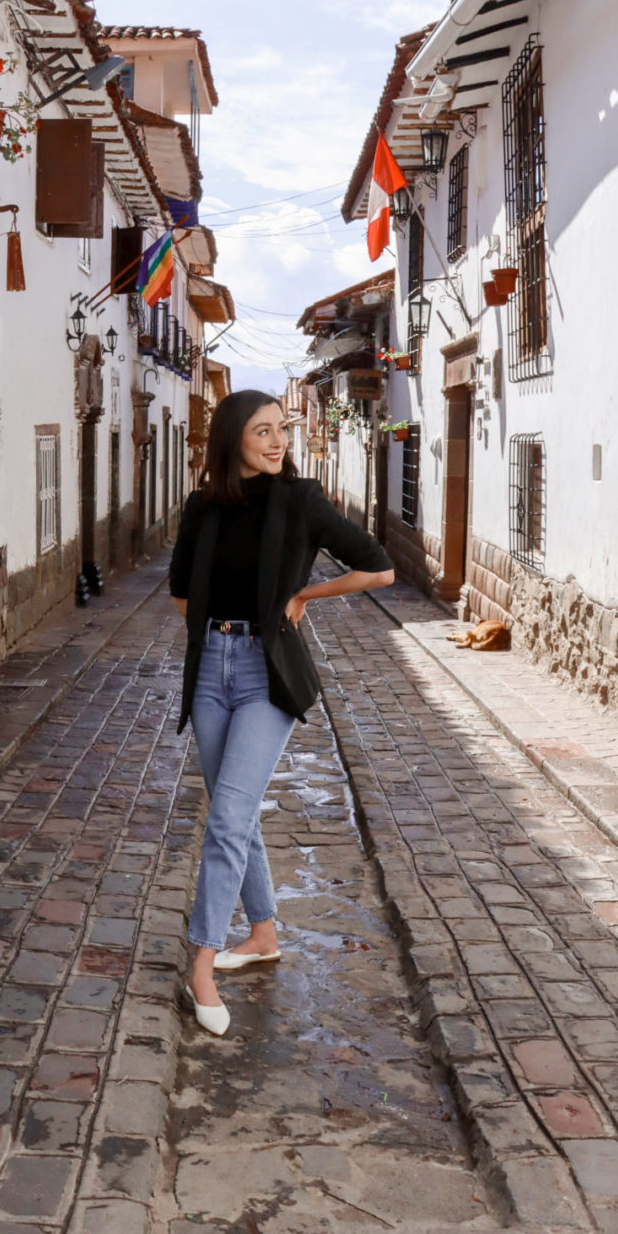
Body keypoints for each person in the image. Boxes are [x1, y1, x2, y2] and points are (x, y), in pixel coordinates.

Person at [169, 390, 394, 1035]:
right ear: (232, 438)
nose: (277, 442)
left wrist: (305, 595)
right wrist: (220, 630)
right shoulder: (201, 508)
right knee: (233, 811)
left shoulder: (300, 500)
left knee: (227, 817)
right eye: (262, 431)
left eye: (281, 430)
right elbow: (182, 594)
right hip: (210, 671)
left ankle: (202, 965)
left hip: (265, 676)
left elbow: (377, 569)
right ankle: (263, 933)